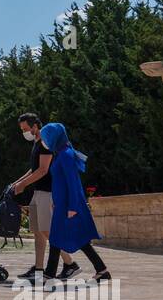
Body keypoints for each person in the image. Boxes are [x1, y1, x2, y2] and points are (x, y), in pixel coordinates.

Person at [38, 122, 111, 283]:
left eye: (45, 137)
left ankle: (48, 275)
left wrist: (72, 207)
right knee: (79, 239)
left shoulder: (66, 155)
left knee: (57, 239)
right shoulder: (62, 153)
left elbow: (73, 183)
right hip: (62, 205)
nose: (44, 141)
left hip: (69, 206)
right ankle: (102, 271)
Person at [11, 112, 77, 283]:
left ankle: (70, 263)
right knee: (38, 232)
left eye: (26, 129)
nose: (24, 132)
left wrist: (23, 185)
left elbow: (43, 170)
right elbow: (34, 169)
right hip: (38, 192)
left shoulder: (46, 143)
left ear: (35, 126)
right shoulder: (36, 143)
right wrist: (17, 182)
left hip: (47, 192)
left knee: (47, 231)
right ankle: (38, 269)